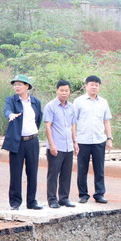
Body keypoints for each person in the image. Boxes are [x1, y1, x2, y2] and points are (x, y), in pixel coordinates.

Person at [2, 74, 43, 210]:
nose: (16, 87)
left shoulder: (36, 102)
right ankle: (15, 203)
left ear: (27, 86)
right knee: (15, 173)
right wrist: (10, 115)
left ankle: (32, 201)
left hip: (32, 141)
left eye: (20, 84)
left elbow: (38, 119)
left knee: (32, 172)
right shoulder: (11, 100)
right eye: (15, 84)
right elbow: (6, 110)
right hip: (16, 142)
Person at [73, 75, 113, 204]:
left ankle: (99, 194)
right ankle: (83, 195)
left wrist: (109, 138)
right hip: (83, 141)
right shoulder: (79, 101)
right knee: (82, 169)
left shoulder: (103, 102)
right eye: (91, 84)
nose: (94, 86)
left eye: (96, 84)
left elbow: (106, 121)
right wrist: (74, 140)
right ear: (86, 86)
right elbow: (73, 122)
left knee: (99, 169)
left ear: (99, 87)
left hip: (99, 140)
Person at [44, 80, 78, 208]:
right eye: (61, 90)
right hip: (56, 146)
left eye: (67, 90)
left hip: (68, 145)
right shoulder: (50, 106)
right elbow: (48, 126)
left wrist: (75, 141)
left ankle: (64, 198)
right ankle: (52, 199)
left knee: (66, 173)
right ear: (57, 91)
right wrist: (52, 145)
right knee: (53, 174)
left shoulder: (71, 107)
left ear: (69, 92)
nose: (64, 93)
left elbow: (72, 125)